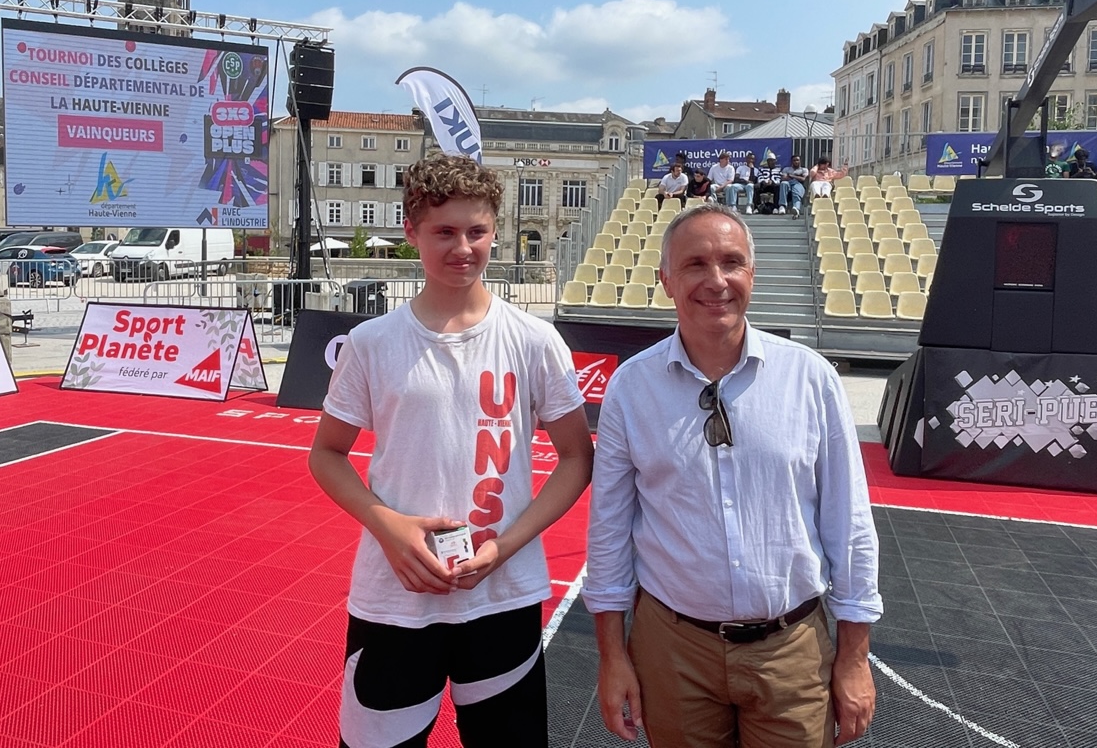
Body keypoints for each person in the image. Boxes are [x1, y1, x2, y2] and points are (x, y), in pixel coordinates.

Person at [309, 154, 594, 748]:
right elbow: (327, 455)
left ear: (495, 231)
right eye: (444, 231)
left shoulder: (535, 340)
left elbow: (576, 458)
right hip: (396, 595)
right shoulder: (371, 342)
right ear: (412, 231)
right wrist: (389, 526)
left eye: (477, 231)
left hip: (503, 596)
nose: (463, 247)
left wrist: (506, 546)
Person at [583, 205, 882, 748]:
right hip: (673, 651)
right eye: (695, 264)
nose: (716, 280)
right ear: (666, 279)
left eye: (731, 262)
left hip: (792, 651)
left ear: (752, 274)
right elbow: (609, 531)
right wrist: (612, 656)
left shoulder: (810, 378)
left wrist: (854, 657)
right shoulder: (631, 386)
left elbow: (850, 524)